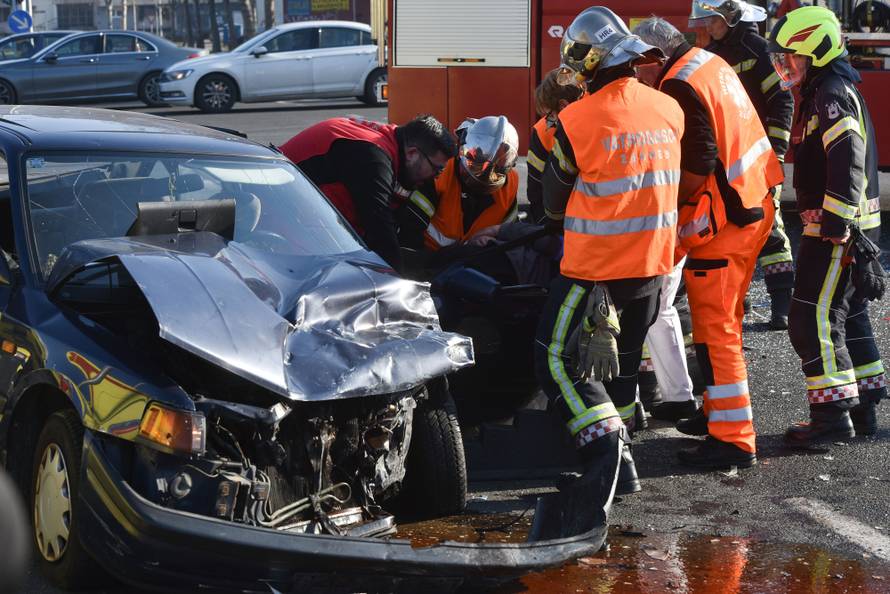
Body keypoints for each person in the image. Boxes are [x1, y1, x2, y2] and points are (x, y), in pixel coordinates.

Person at [529, 6, 684, 540]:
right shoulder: (669, 109)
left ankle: (605, 454)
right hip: (654, 267)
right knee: (618, 371)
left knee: (553, 359)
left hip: (593, 269)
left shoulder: (576, 120)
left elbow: (551, 203)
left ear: (588, 60)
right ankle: (628, 471)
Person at [633, 16, 783, 468]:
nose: (635, 75)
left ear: (653, 57)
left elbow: (699, 159)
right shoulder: (708, 62)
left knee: (716, 332)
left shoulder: (677, 83)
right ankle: (718, 415)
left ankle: (733, 439)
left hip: (725, 221)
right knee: (726, 326)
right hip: (753, 205)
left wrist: (665, 198)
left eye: (636, 65)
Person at [768, 6, 885, 445]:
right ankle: (866, 406)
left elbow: (847, 157)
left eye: (791, 56)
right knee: (850, 314)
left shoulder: (830, 93)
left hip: (836, 229)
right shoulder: (831, 87)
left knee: (810, 316)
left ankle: (831, 417)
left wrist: (836, 220)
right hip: (853, 227)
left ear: (815, 49)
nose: (786, 65)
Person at [689, 0, 796, 330]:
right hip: (724, 156)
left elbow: (783, 100)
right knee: (728, 230)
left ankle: (782, 304)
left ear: (731, 17)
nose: (708, 26)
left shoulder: (758, 49)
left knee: (769, 229)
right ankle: (739, 300)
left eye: (714, 20)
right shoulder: (715, 51)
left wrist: (775, 151)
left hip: (754, 155)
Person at [280, 115, 457, 272]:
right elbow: (380, 232)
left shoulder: (389, 141)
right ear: (412, 153)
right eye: (437, 170)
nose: (434, 178)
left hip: (294, 214)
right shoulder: (373, 157)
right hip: (277, 217)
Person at [398, 115, 520, 271]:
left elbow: (509, 239)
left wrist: (489, 241)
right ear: (462, 151)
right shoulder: (439, 174)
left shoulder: (510, 184)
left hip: (477, 267)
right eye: (475, 164)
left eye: (496, 170)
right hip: (427, 262)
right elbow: (409, 236)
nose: (485, 174)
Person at [527, 69, 583, 224]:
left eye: (550, 115)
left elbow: (536, 192)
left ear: (563, 106)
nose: (548, 122)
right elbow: (536, 192)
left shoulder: (543, 132)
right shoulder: (542, 132)